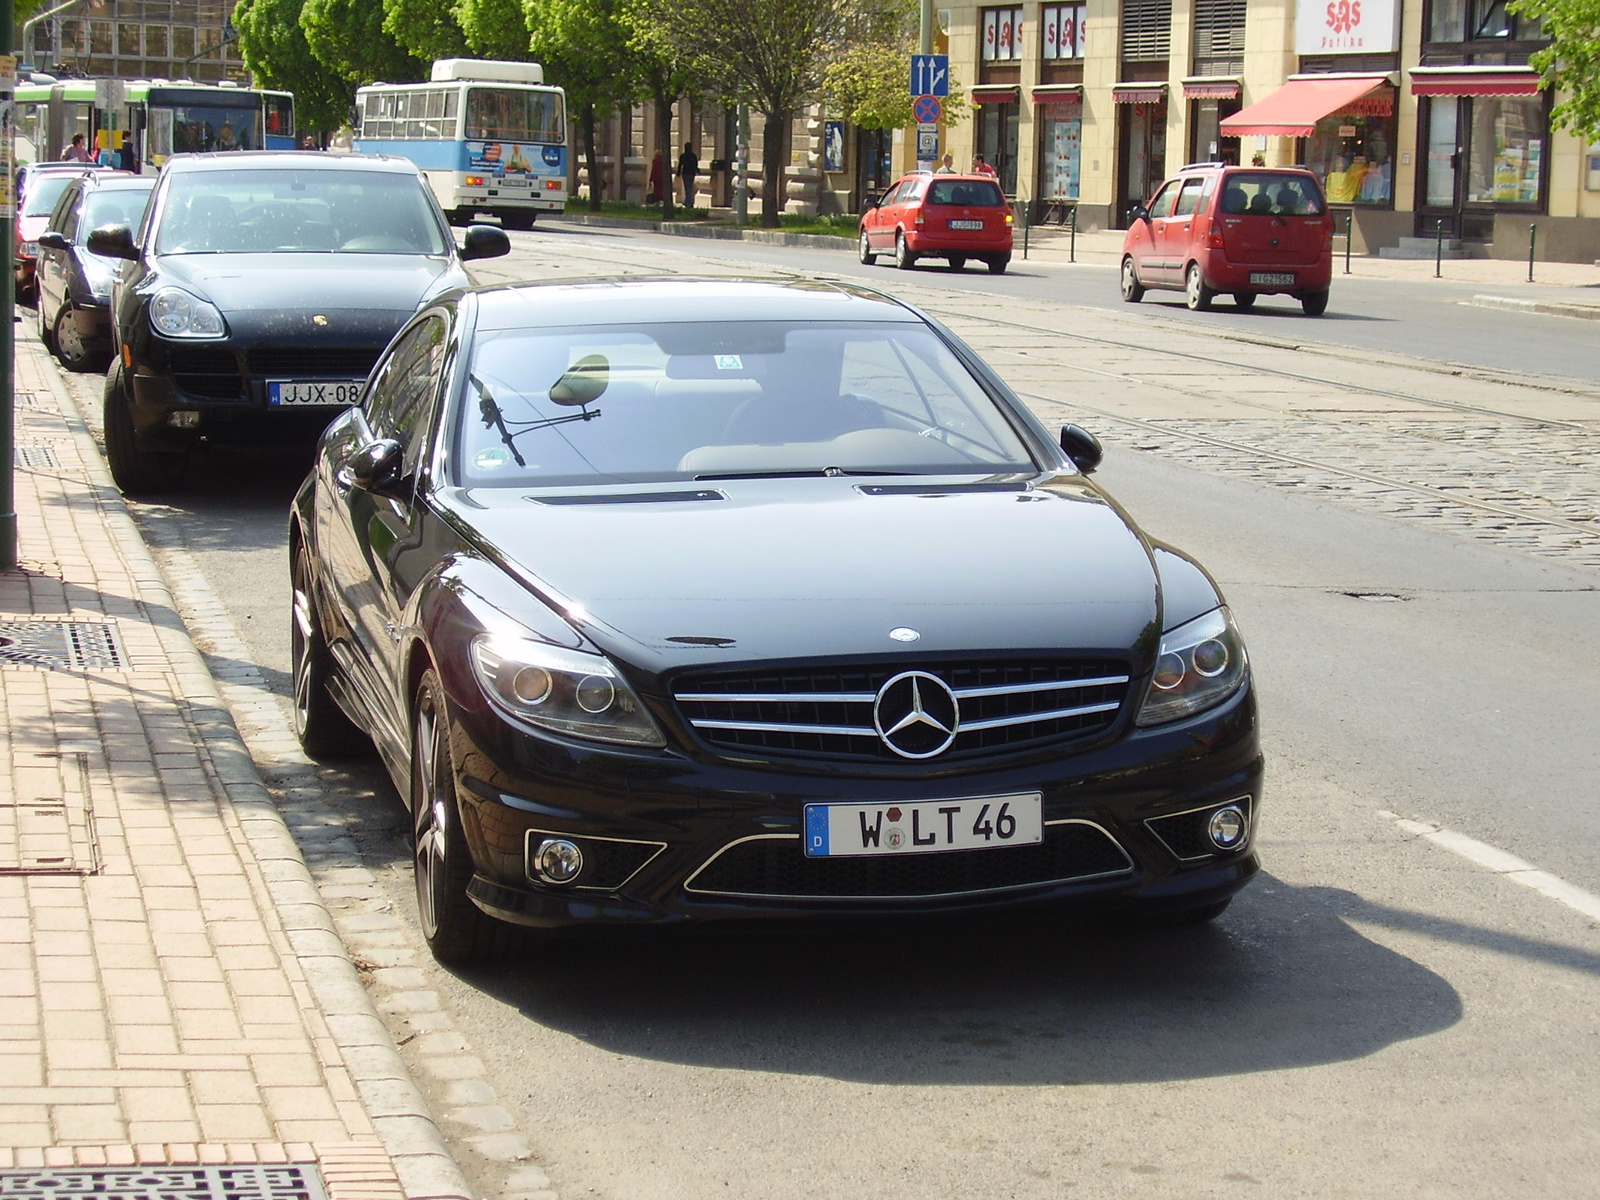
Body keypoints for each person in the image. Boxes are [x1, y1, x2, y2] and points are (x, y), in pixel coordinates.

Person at [677, 141, 699, 207]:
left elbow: (680, 165)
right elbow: (695, 165)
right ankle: (689, 201)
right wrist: (697, 171)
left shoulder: (683, 156)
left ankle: (688, 201)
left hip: (685, 173)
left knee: (687, 187)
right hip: (691, 173)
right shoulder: (693, 156)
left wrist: (678, 173)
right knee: (690, 187)